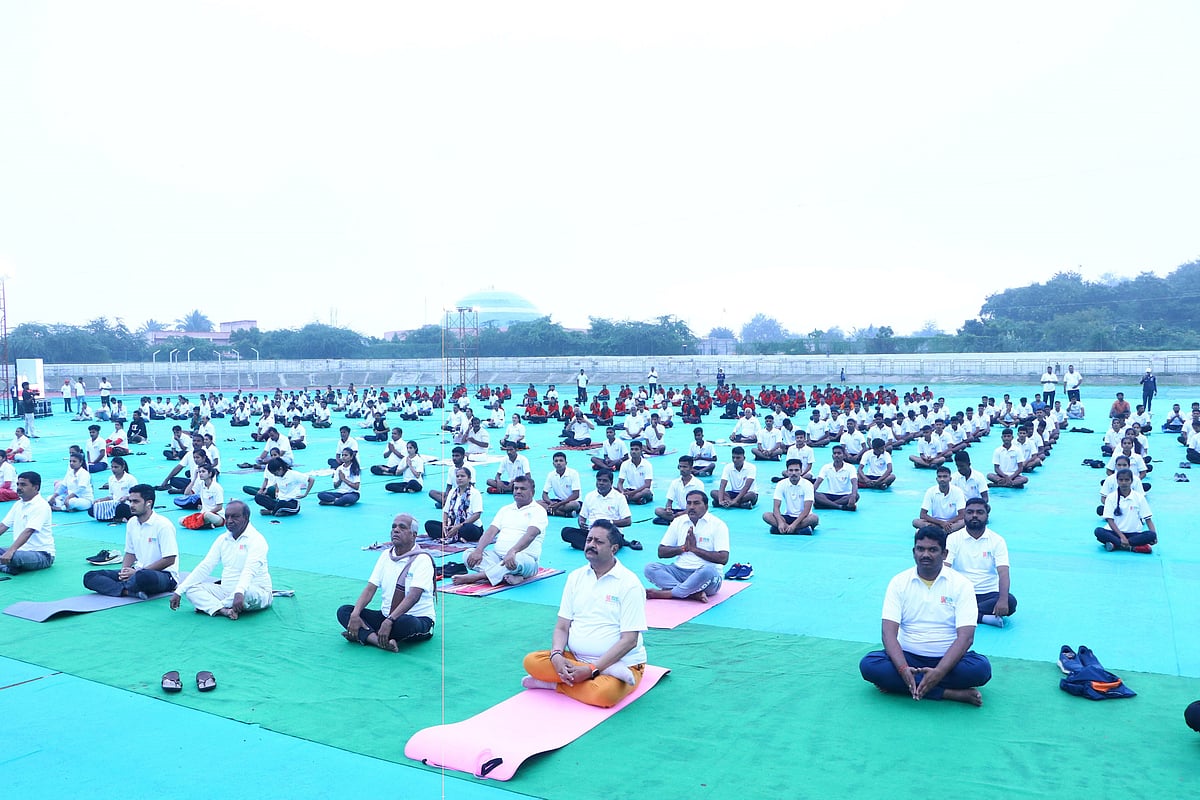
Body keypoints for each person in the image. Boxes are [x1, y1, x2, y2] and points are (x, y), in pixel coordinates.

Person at [858, 527, 991, 705]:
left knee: (981, 669)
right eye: (920, 549)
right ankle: (949, 693)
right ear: (914, 552)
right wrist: (902, 668)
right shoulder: (899, 582)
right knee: (869, 665)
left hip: (949, 659)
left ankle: (905, 685)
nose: (925, 555)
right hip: (907, 657)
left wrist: (940, 672)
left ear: (944, 554)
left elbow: (966, 638)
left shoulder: (962, 585)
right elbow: (888, 633)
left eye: (932, 550)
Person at [522, 520, 648, 708]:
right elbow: (562, 627)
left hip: (622, 663)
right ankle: (594, 673)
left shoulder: (629, 584)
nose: (591, 545)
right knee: (531, 661)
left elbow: (629, 640)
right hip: (576, 659)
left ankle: (556, 685)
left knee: (604, 695)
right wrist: (557, 655)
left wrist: (592, 669)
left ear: (614, 549)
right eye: (589, 540)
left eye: (599, 541)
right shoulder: (576, 577)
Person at [338, 513, 435, 651]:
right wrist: (355, 613)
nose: (396, 530)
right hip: (385, 616)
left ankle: (364, 634)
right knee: (344, 611)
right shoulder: (386, 555)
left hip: (416, 618)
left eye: (402, 527)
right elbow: (370, 589)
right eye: (393, 527)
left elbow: (413, 596)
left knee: (406, 622)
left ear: (414, 535)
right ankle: (378, 641)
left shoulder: (422, 560)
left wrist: (390, 620)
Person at [170, 501, 271, 619]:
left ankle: (214, 606)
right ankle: (224, 610)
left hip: (255, 592)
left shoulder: (257, 540)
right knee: (191, 589)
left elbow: (249, 570)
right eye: (227, 517)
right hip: (226, 592)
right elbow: (206, 566)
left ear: (246, 517)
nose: (229, 521)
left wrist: (239, 591)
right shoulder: (222, 539)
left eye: (235, 517)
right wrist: (179, 591)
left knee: (247, 594)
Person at [82, 485, 178, 598]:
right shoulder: (132, 523)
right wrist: (124, 572)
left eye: (136, 501)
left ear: (149, 503)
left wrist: (137, 573)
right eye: (130, 501)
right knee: (90, 576)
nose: (131, 505)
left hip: (163, 575)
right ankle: (126, 591)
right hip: (137, 571)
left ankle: (125, 587)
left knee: (143, 577)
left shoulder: (163, 525)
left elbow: (170, 559)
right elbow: (130, 553)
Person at [453, 475, 548, 587]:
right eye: (516, 488)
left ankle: (479, 576)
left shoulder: (538, 511)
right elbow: (491, 532)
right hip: (498, 558)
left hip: (524, 559)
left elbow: (530, 535)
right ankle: (506, 576)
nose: (518, 491)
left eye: (523, 489)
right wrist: (479, 550)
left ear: (532, 492)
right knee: (468, 554)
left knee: (517, 560)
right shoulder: (505, 510)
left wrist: (513, 551)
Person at [645, 490, 729, 602]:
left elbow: (723, 558)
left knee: (709, 570)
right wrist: (683, 548)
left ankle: (670, 593)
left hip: (705, 576)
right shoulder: (678, 522)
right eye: (689, 503)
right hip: (679, 571)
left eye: (696, 503)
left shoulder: (718, 525)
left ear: (706, 506)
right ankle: (691, 594)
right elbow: (661, 552)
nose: (692, 507)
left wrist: (695, 549)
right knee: (650, 568)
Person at [946, 498, 1015, 628]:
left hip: (988, 594)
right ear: (964, 515)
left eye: (979, 512)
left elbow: (1003, 573)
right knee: (940, 602)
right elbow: (945, 568)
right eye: (970, 512)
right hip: (960, 592)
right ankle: (982, 617)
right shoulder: (953, 538)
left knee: (1010, 602)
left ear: (987, 516)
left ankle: (959, 614)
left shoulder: (997, 540)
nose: (974, 515)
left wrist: (1002, 600)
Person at [0, 471, 54, 575]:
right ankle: (6, 566)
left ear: (36, 487)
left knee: (13, 557)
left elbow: (28, 531)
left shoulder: (41, 506)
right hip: (20, 551)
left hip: (42, 555)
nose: (19, 488)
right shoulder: (18, 504)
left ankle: (7, 566)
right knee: (11, 556)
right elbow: (3, 526)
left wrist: (11, 551)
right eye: (18, 484)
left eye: (23, 485)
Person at [1094, 468, 1157, 553]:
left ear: (1131, 481)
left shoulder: (1139, 497)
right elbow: (1110, 520)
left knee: (1151, 535)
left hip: (1134, 534)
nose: (1124, 482)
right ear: (1117, 481)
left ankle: (1116, 545)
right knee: (1099, 531)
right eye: (1121, 480)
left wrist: (1155, 537)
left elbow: (1148, 519)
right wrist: (1122, 537)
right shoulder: (1111, 497)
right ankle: (1131, 547)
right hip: (1115, 533)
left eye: (1127, 480)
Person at [424, 467, 484, 542]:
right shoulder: (452, 492)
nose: (459, 478)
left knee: (467, 528)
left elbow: (477, 515)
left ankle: (455, 535)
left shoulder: (475, 493)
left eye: (462, 476)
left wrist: (459, 526)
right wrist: (444, 525)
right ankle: (457, 536)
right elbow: (445, 511)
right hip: (452, 525)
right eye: (457, 476)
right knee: (429, 524)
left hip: (469, 526)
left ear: (469, 478)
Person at [764, 458, 819, 534]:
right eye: (791, 470)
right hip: (788, 516)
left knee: (814, 518)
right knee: (766, 515)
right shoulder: (781, 484)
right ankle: (798, 529)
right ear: (787, 472)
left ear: (801, 471)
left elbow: (807, 510)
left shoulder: (808, 485)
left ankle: (785, 529)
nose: (794, 473)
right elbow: (776, 508)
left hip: (804, 517)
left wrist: (793, 525)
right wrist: (780, 522)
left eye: (796, 470)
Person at [912, 466, 967, 532]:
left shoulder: (958, 491)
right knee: (915, 522)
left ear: (950, 479)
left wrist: (947, 523)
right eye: (939, 477)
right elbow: (923, 515)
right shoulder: (930, 491)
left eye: (945, 476)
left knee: (964, 522)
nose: (942, 479)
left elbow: (962, 514)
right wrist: (941, 523)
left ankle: (936, 532)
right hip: (935, 523)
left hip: (952, 523)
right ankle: (944, 532)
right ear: (936, 479)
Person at [653, 455, 704, 524]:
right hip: (677, 511)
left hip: (691, 510)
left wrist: (683, 513)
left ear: (691, 468)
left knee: (696, 514)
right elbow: (669, 501)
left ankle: (672, 521)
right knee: (658, 510)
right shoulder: (675, 482)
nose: (682, 469)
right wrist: (668, 509)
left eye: (685, 467)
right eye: (680, 466)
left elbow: (698, 505)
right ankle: (676, 520)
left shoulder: (698, 484)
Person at [88, 456, 138, 523]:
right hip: (114, 505)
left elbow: (136, 496)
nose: (113, 469)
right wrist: (100, 500)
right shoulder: (111, 479)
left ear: (123, 467)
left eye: (116, 467)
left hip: (127, 505)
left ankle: (115, 518)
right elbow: (111, 496)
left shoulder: (130, 479)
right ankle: (118, 518)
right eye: (112, 467)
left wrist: (126, 498)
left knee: (121, 507)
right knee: (92, 510)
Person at [811, 445, 859, 511]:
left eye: (839, 453)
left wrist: (853, 496)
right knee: (815, 494)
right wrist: (810, 493)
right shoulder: (826, 467)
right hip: (830, 495)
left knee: (856, 496)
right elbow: (818, 482)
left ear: (844, 456)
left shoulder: (850, 467)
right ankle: (839, 506)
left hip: (845, 495)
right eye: (834, 453)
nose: (836, 455)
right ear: (832, 456)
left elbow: (854, 483)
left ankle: (826, 505)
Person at [540, 452, 582, 517]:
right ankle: (564, 514)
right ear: (553, 464)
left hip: (570, 501)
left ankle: (552, 511)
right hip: (557, 501)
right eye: (556, 461)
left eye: (561, 460)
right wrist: (551, 503)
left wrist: (559, 505)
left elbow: (576, 495)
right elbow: (544, 494)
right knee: (536, 503)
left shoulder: (573, 473)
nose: (558, 463)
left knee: (575, 505)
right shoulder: (551, 475)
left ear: (566, 463)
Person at [617, 440, 654, 505]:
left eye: (636, 449)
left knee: (647, 491)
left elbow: (647, 485)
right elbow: (620, 483)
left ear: (641, 451)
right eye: (632, 449)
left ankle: (627, 499)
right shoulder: (624, 464)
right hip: (630, 490)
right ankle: (636, 499)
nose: (633, 451)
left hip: (642, 491)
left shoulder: (647, 465)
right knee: (611, 488)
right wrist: (622, 492)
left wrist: (632, 493)